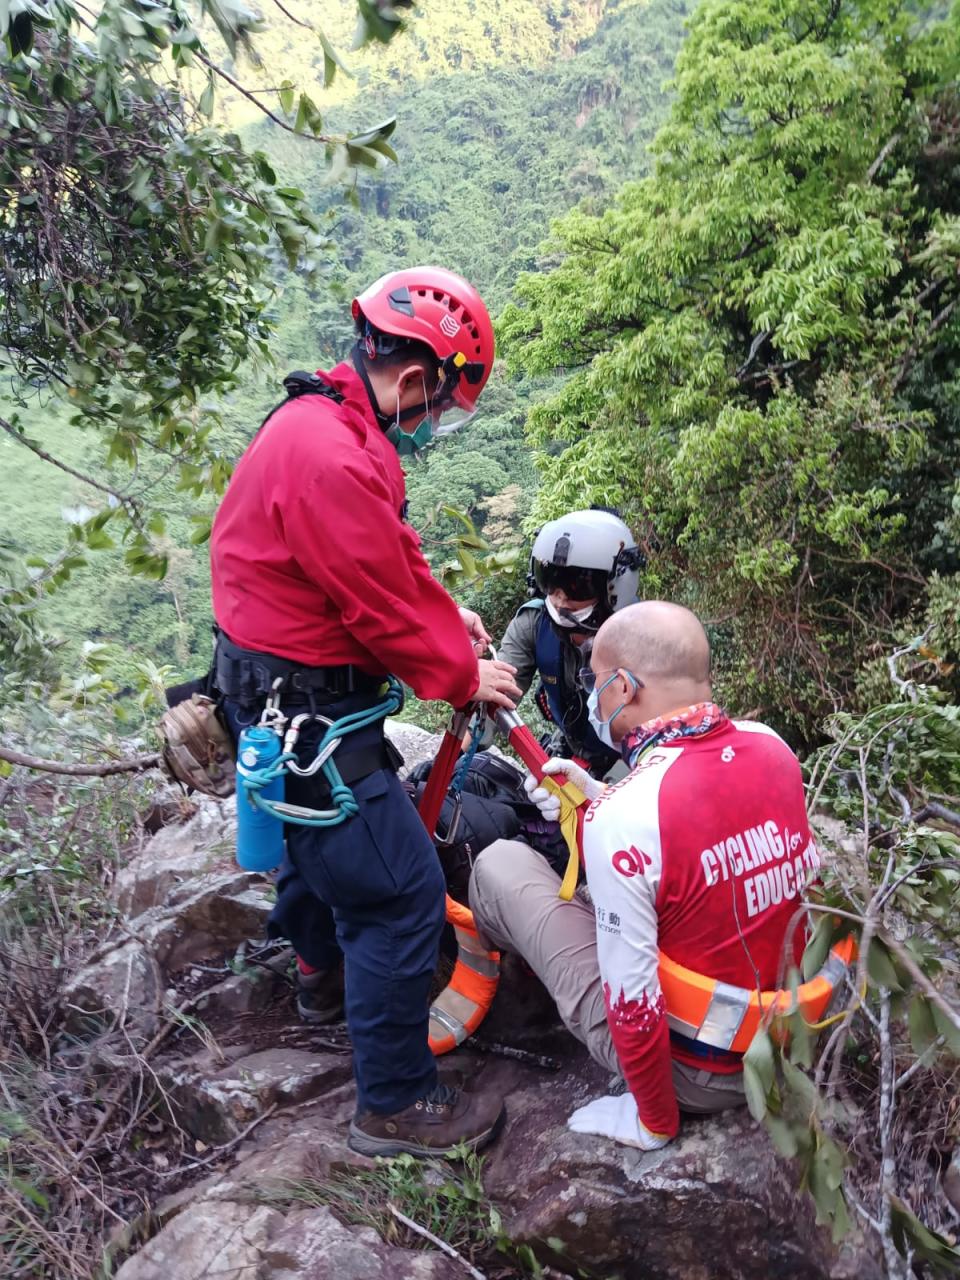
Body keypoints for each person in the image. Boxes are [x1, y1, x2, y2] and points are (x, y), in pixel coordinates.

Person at [209, 265, 522, 1158]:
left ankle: (319, 977)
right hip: (307, 718)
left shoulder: (323, 424)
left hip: (276, 702)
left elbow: (385, 560)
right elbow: (382, 609)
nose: (436, 424)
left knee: (319, 854)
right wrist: (465, 674)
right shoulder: (337, 454)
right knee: (398, 894)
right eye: (444, 405)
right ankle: (394, 1102)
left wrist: (444, 615)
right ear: (418, 377)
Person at [469, 601, 822, 1150]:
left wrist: (653, 1120)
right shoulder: (770, 744)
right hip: (793, 1039)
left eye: (598, 682)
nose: (593, 696)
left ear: (626, 687)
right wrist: (597, 798)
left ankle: (489, 985)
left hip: (703, 1075)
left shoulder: (630, 816)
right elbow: (702, 834)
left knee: (499, 865)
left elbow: (633, 1001)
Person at [497, 509, 643, 778]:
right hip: (569, 748)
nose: (561, 597)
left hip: (634, 762)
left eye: (578, 584)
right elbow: (498, 695)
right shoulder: (534, 622)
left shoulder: (646, 636)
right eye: (551, 580)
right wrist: (455, 754)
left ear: (613, 585)